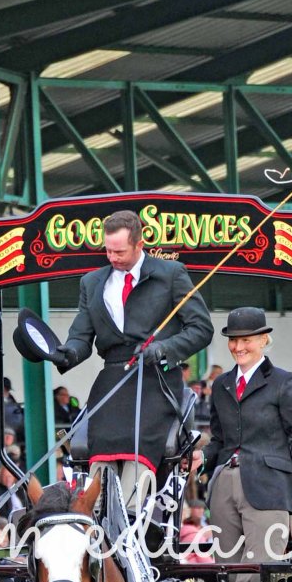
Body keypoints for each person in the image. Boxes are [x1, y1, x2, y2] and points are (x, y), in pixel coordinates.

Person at [52, 209, 213, 503]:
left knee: (137, 449)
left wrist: (164, 349)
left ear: (140, 244)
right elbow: (81, 337)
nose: (112, 257)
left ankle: (131, 509)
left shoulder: (171, 274)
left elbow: (201, 329)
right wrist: (66, 353)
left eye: (120, 252)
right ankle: (97, 509)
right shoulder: (91, 283)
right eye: (108, 251)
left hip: (156, 379)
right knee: (100, 451)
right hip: (112, 380)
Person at [201, 306, 292, 582]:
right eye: (233, 340)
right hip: (225, 483)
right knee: (226, 571)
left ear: (264, 340)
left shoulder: (282, 382)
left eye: (246, 340)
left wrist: (281, 475)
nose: (238, 347)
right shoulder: (221, 385)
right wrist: (202, 460)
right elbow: (219, 439)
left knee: (260, 571)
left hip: (267, 487)